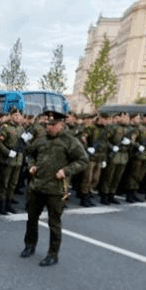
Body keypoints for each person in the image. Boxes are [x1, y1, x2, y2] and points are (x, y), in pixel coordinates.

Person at [21, 110, 88, 266]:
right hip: (37, 186)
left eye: (52, 125)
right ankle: (29, 246)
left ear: (61, 125)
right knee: (31, 219)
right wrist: (32, 166)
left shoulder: (70, 140)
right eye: (46, 125)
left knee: (54, 223)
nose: (48, 128)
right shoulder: (41, 138)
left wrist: (66, 171)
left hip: (56, 189)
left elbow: (83, 160)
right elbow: (30, 153)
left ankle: (53, 254)